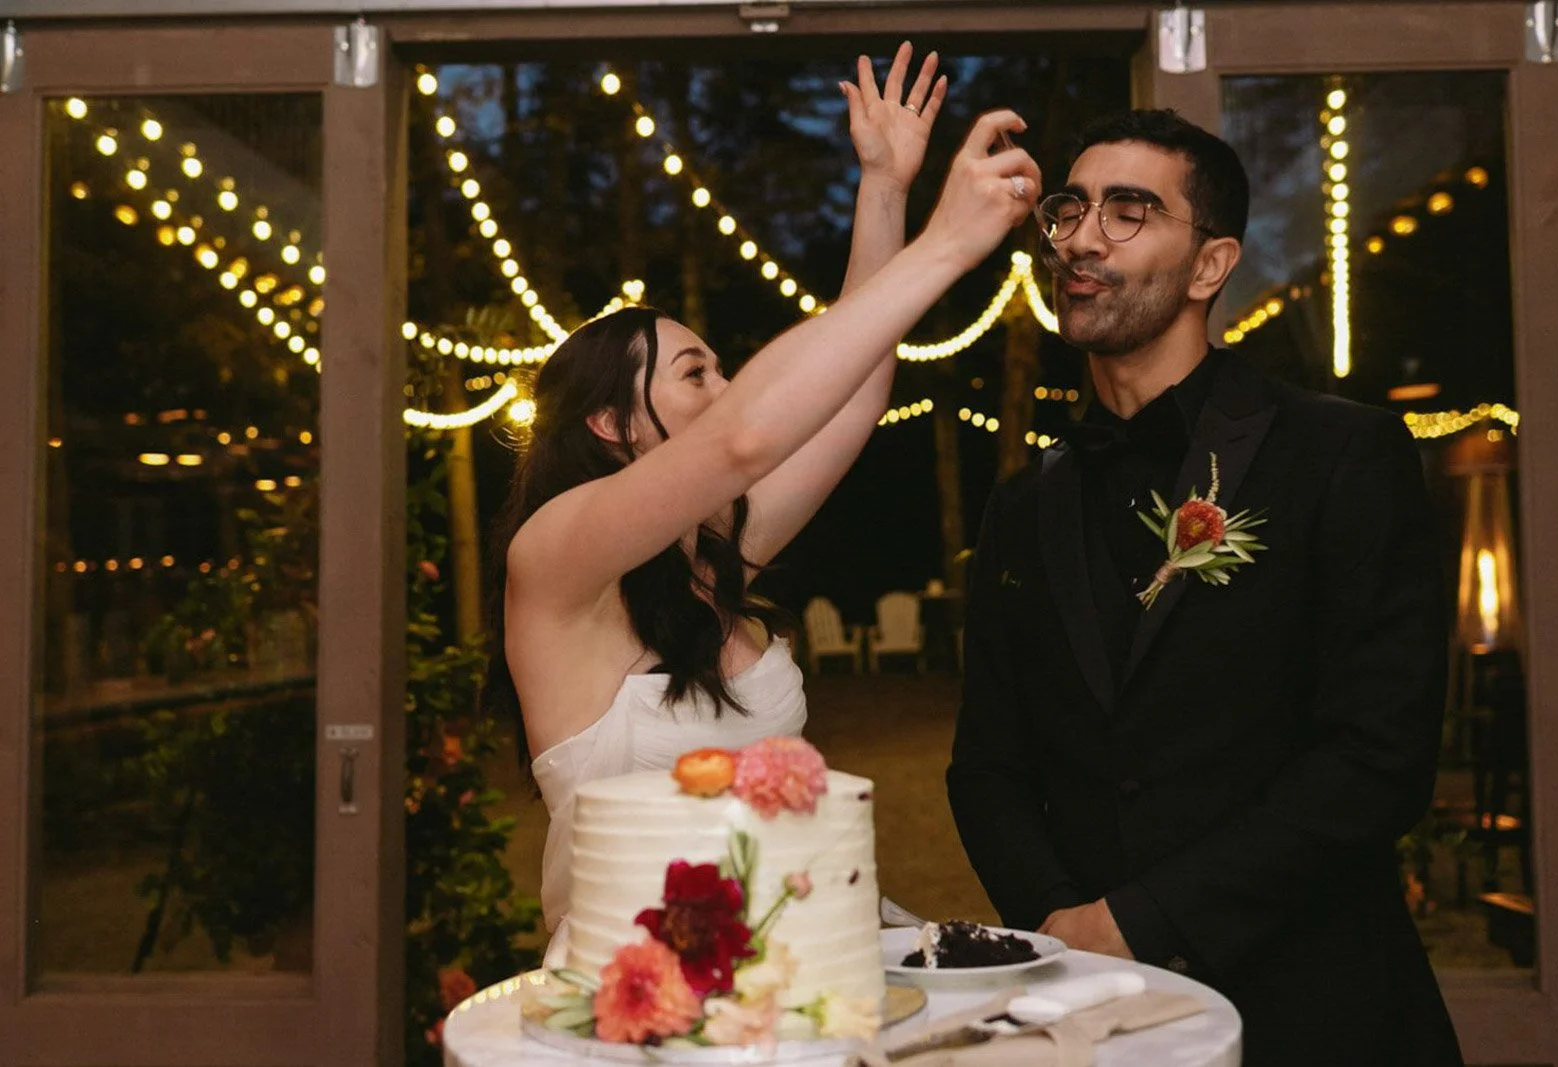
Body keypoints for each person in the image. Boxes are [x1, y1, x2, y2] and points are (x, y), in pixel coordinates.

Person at [480, 43, 1041, 951]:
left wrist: (884, 189)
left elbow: (852, 395)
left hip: (800, 953)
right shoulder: (556, 556)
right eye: (695, 372)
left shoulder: (713, 550)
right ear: (611, 423)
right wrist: (946, 244)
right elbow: (747, 435)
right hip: (642, 982)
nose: (726, 387)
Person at [946, 109, 1463, 1066]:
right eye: (1069, 210)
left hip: (1315, 1005)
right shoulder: (1023, 502)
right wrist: (1061, 927)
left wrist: (1143, 919)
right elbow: (987, 764)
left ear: (1210, 265)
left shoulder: (1341, 455)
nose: (1081, 239)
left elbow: (1377, 757)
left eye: (1128, 211)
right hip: (1089, 1014)